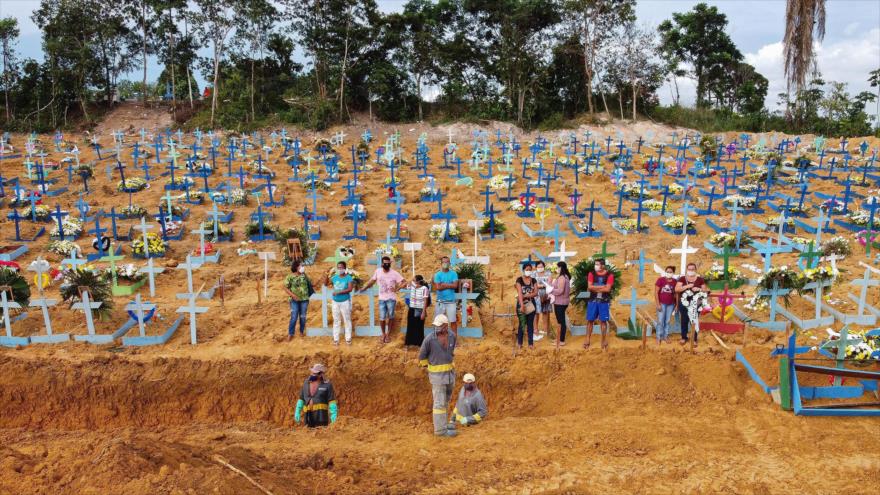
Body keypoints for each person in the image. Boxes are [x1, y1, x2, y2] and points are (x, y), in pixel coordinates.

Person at [419, 314, 458, 437]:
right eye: (436, 326)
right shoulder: (429, 339)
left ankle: (443, 425)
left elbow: (451, 353)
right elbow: (422, 357)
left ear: (446, 326)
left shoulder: (452, 336)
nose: (436, 328)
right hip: (437, 378)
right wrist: (430, 367)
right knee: (439, 404)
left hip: (449, 376)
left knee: (445, 402)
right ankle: (440, 431)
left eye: (439, 326)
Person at [361, 255, 406, 343]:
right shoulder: (378, 271)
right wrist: (365, 288)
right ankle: (383, 334)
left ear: (390, 264)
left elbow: (404, 282)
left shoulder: (394, 273)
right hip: (381, 299)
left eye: (388, 263)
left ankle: (388, 334)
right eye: (385, 263)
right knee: (382, 317)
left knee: (391, 316)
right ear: (382, 264)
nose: (386, 265)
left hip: (391, 299)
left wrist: (397, 289)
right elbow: (372, 281)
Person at [293, 363, 337, 428]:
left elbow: (332, 401)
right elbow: (301, 398)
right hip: (308, 417)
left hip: (321, 417)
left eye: (315, 373)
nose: (312, 374)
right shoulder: (306, 383)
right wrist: (298, 410)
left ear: (321, 374)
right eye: (312, 372)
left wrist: (333, 415)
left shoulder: (327, 385)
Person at [675, 262, 707, 346]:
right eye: (689, 269)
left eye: (693, 269)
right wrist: (686, 286)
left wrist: (699, 289)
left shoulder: (700, 279)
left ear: (695, 270)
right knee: (684, 320)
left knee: (694, 321)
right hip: (684, 303)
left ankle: (694, 339)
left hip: (696, 303)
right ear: (687, 269)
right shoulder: (682, 279)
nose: (691, 271)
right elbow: (677, 289)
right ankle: (683, 337)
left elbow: (705, 290)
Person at [585, 258, 614, 351]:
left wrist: (595, 287)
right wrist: (602, 286)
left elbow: (608, 289)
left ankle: (603, 340)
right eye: (595, 264)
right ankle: (587, 339)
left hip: (604, 301)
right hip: (592, 300)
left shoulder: (609, 275)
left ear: (603, 265)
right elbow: (589, 287)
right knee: (590, 320)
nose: (596, 266)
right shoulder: (591, 274)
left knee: (603, 321)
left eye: (597, 264)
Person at [282, 259, 313, 341]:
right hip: (294, 300)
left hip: (305, 299)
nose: (303, 267)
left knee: (303, 316)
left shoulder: (304, 276)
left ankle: (301, 331)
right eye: (301, 265)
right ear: (296, 267)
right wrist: (293, 295)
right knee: (294, 316)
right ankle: (290, 333)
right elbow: (285, 287)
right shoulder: (290, 277)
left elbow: (311, 284)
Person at [325, 261, 354, 346]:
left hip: (345, 302)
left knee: (347, 319)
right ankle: (336, 339)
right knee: (336, 320)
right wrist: (327, 274)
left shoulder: (348, 278)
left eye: (341, 267)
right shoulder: (334, 277)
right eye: (338, 267)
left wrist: (339, 292)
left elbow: (350, 289)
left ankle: (348, 338)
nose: (340, 269)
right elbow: (326, 284)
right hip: (335, 302)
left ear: (345, 268)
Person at [433, 256, 459, 337]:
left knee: (453, 321)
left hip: (451, 302)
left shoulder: (454, 274)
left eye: (447, 262)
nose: (446, 264)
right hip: (440, 302)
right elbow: (438, 287)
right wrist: (449, 285)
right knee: (438, 321)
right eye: (444, 262)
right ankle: (437, 338)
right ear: (441, 264)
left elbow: (455, 286)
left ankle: (454, 340)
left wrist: (444, 284)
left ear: (450, 263)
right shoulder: (437, 274)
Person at [515, 263, 539, 349]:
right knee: (522, 324)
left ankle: (530, 344)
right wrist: (521, 305)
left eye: (530, 269)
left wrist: (527, 296)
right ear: (523, 270)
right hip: (521, 304)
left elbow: (536, 293)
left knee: (530, 324)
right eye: (527, 269)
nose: (528, 271)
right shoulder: (519, 280)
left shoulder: (533, 280)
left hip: (531, 304)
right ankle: (520, 343)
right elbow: (519, 293)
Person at [404, 274, 431, 347]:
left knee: (419, 326)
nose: (412, 281)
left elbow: (425, 300)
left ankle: (419, 343)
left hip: (420, 309)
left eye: (414, 280)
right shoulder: (412, 287)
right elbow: (406, 284)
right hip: (412, 308)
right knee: (410, 326)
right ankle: (409, 342)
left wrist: (423, 312)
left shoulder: (424, 288)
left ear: (418, 282)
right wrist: (410, 282)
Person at [549, 261, 572, 346]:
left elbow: (560, 291)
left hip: (561, 302)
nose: (557, 269)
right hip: (561, 302)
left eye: (558, 267)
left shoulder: (562, 277)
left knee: (561, 322)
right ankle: (559, 338)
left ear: (561, 268)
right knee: (560, 321)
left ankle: (562, 340)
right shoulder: (563, 276)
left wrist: (551, 290)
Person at [654, 265, 678, 344]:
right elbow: (656, 292)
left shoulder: (675, 282)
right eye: (667, 271)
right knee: (660, 321)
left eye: (670, 272)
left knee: (667, 321)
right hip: (661, 303)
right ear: (665, 272)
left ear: (673, 273)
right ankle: (658, 337)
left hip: (670, 304)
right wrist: (658, 304)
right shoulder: (660, 280)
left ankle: (665, 336)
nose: (669, 273)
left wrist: (676, 305)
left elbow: (676, 294)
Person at [532, 261, 550, 341]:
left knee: (545, 312)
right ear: (536, 267)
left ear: (544, 267)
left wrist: (539, 286)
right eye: (538, 267)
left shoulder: (548, 273)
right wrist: (543, 285)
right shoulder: (533, 274)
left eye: (541, 266)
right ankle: (535, 330)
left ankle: (545, 330)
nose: (540, 268)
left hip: (546, 295)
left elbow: (549, 283)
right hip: (536, 296)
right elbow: (532, 285)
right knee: (536, 313)